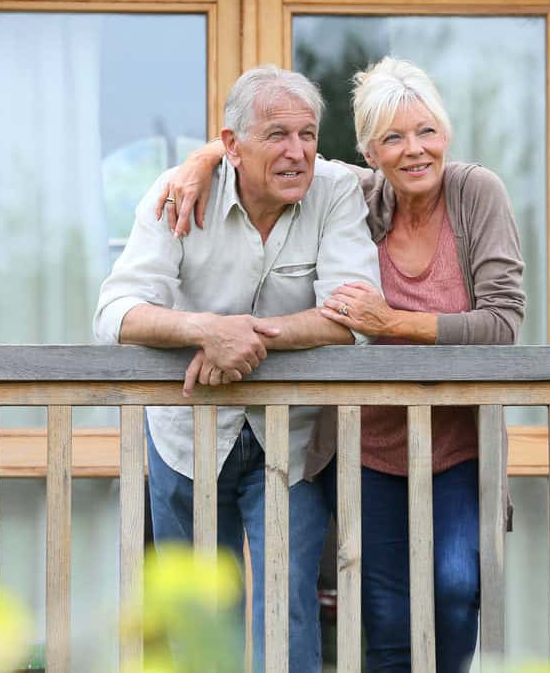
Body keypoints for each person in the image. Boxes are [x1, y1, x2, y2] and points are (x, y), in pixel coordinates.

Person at [160, 56, 525, 671]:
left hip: (459, 447)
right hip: (369, 451)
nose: (415, 150)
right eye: (394, 138)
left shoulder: (476, 193)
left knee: (458, 599)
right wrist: (200, 162)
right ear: (368, 152)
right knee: (384, 621)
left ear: (447, 134)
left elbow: (503, 323)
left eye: (427, 131)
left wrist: (391, 324)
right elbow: (267, 147)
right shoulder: (351, 194)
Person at [94, 64, 381, 672]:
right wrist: (205, 330)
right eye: (277, 134)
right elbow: (115, 313)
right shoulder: (175, 193)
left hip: (293, 436)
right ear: (230, 146)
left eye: (307, 134)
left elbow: (354, 314)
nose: (297, 152)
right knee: (201, 621)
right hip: (184, 433)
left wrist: (249, 341)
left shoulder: (337, 191)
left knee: (286, 609)